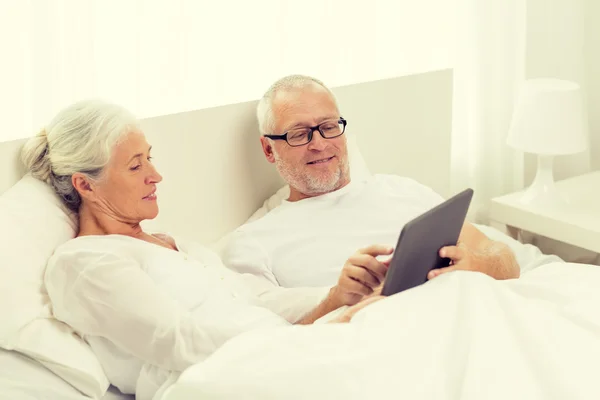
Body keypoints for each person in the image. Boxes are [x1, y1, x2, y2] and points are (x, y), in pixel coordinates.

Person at [23, 100, 382, 400]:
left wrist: (337, 295)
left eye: (149, 158)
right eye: (135, 166)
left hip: (276, 357)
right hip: (220, 383)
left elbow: (253, 302)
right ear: (85, 184)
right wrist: (309, 339)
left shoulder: (173, 244)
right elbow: (179, 342)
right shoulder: (85, 263)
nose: (155, 175)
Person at [223, 75, 522, 323]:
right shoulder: (252, 241)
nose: (319, 144)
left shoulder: (403, 191)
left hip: (464, 316)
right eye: (299, 135)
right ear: (268, 150)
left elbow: (504, 259)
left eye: (328, 127)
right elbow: (260, 333)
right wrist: (336, 297)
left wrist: (473, 264)